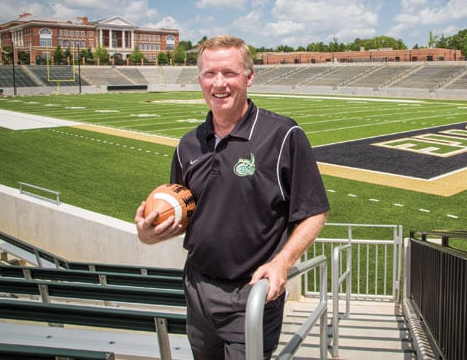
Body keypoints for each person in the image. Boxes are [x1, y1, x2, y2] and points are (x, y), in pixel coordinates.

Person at [135, 35, 329, 360]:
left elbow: (314, 211)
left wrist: (282, 262)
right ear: (199, 80)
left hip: (251, 294)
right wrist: (149, 232)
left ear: (249, 77)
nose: (219, 83)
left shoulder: (282, 135)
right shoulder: (188, 144)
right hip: (197, 288)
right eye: (210, 74)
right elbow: (188, 213)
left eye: (230, 73)